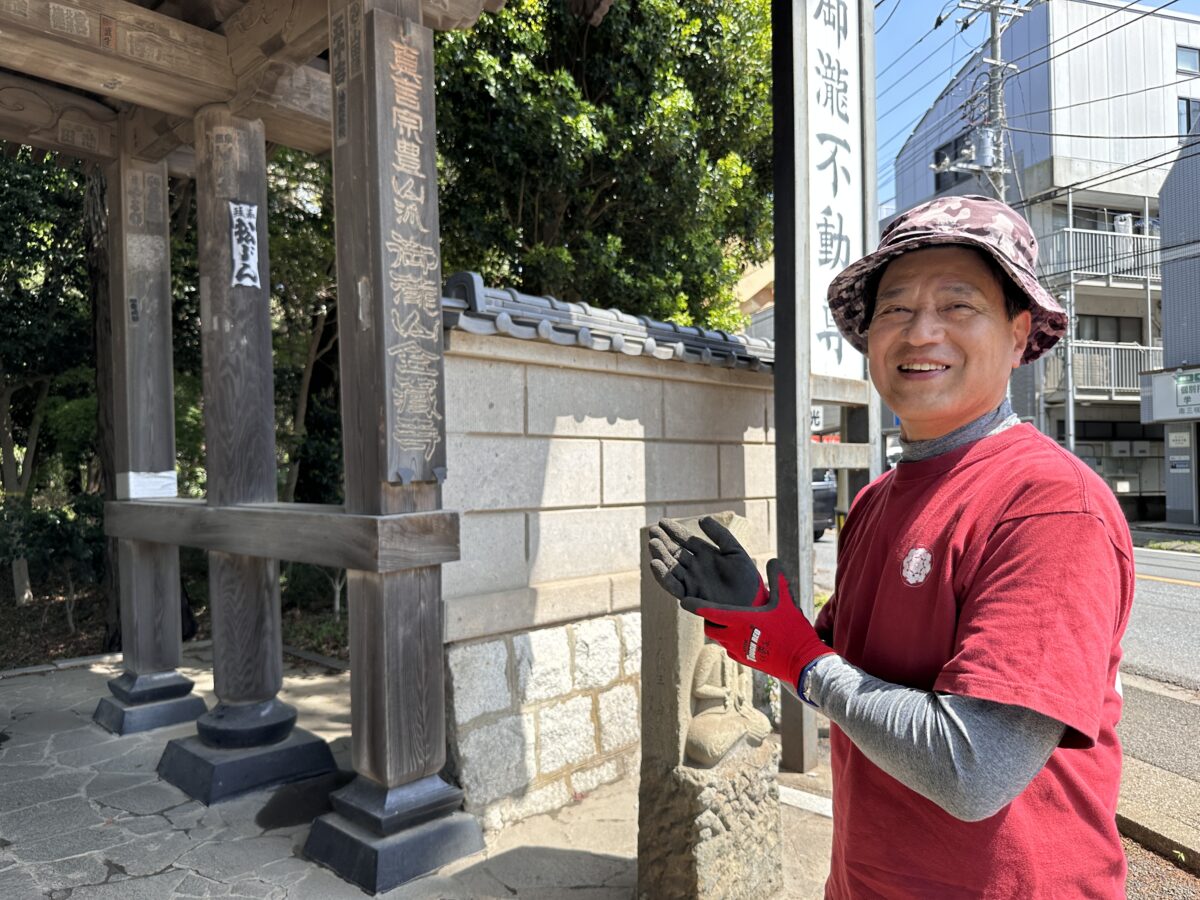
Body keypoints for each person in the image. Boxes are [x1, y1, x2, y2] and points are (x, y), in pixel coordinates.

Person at [648, 195, 1134, 898]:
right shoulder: (878, 501)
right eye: (896, 309)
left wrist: (801, 661)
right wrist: (762, 617)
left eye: (958, 305)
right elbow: (847, 671)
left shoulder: (1050, 504)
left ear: (1018, 332)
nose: (921, 331)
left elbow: (975, 769)